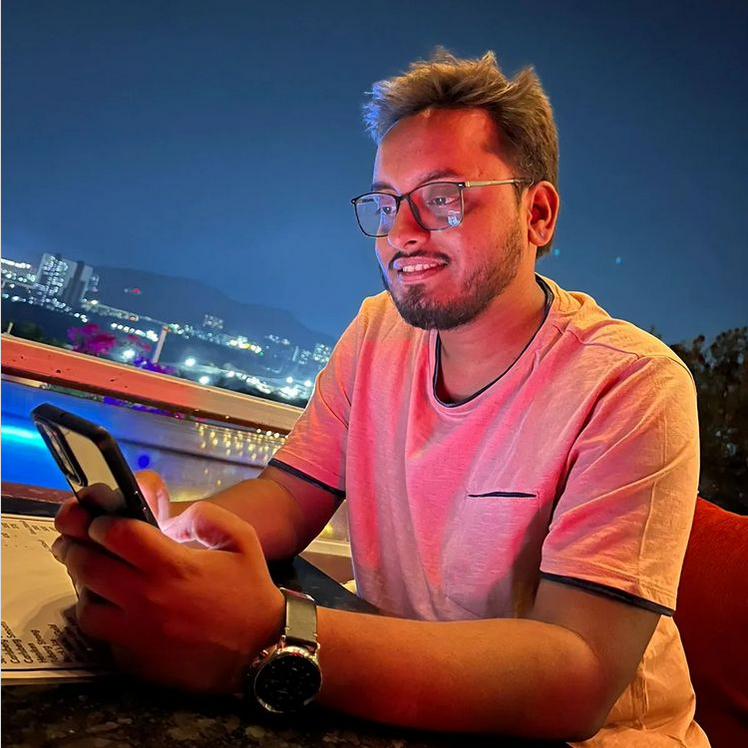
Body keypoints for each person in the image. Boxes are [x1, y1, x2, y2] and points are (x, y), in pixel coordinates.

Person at [53, 50, 710, 746]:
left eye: (443, 197)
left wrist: (272, 634)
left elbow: (576, 676)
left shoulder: (631, 383)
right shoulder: (377, 333)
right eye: (388, 203)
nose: (401, 231)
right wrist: (171, 542)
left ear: (537, 214)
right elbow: (288, 496)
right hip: (399, 710)